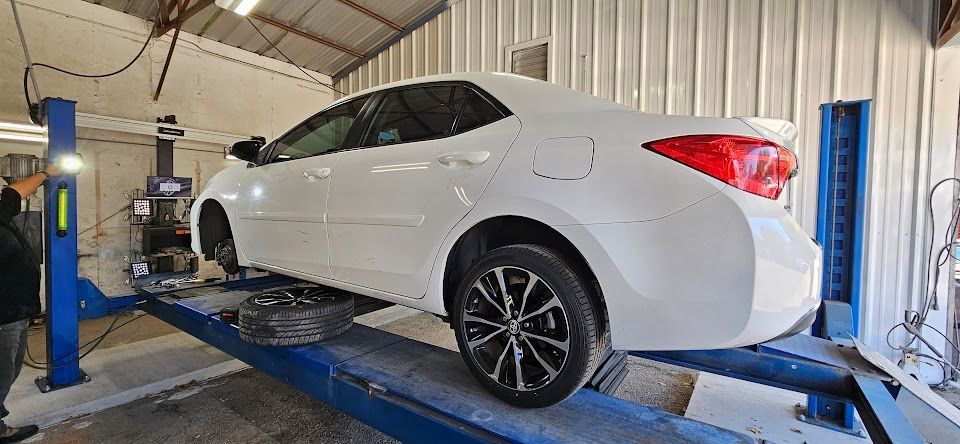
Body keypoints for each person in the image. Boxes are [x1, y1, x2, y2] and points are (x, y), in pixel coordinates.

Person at [0, 164, 60, 443]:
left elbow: (12, 195)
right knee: (3, 371)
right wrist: (46, 174)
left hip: (16, 311)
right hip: (4, 313)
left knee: (11, 368)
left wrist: (46, 175)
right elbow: (11, 194)